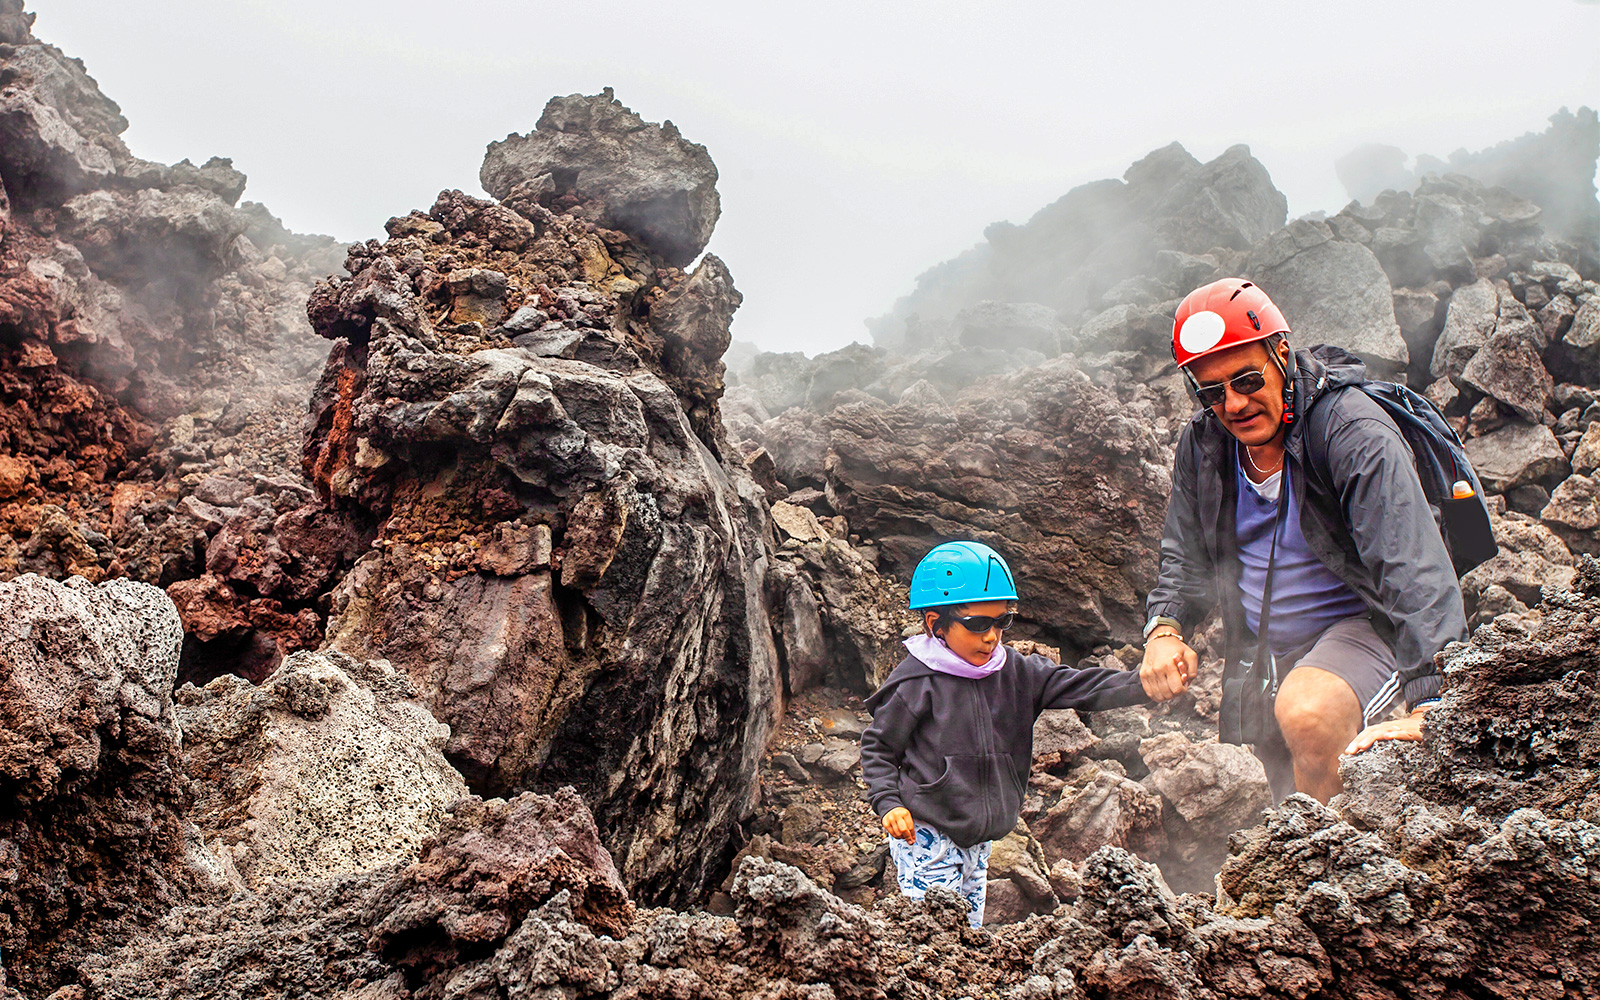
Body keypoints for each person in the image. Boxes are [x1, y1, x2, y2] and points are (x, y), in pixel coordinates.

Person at [1142, 278, 1468, 804]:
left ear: (1281, 352)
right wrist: (1165, 627)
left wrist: (1433, 698)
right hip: (1267, 645)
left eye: (1247, 379)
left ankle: (1343, 871)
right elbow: (1186, 554)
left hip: (1366, 624)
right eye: (1210, 392)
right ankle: (1305, 867)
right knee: (1286, 781)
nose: (1233, 404)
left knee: (1308, 713)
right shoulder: (1205, 444)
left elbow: (1411, 564)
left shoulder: (1351, 431)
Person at [860, 540, 1191, 928]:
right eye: (977, 624)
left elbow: (1083, 686)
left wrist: (1143, 685)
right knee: (935, 935)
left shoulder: (1016, 671)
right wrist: (889, 804)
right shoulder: (916, 681)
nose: (992, 637)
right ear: (936, 624)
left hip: (980, 838)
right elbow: (879, 747)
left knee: (969, 932)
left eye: (1002, 622)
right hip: (929, 835)